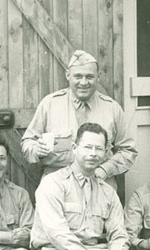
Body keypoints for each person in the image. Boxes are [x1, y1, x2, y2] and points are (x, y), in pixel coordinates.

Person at [21, 49, 137, 188]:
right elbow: (27, 142)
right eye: (78, 76)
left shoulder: (112, 108)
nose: (83, 82)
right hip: (58, 184)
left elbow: (128, 151)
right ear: (68, 75)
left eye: (89, 77)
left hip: (99, 183)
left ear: (98, 77)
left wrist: (104, 170)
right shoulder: (50, 104)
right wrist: (36, 150)